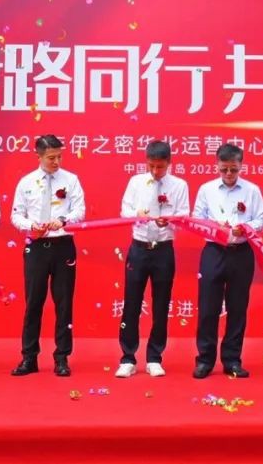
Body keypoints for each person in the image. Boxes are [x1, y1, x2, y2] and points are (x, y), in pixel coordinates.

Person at [10, 134, 86, 377]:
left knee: (64, 304)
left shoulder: (71, 180)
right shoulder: (26, 182)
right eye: (51, 157)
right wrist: (30, 226)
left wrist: (63, 220)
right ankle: (29, 357)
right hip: (36, 246)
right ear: (39, 156)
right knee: (33, 302)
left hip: (63, 245)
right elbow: (16, 215)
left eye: (59, 157)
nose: (56, 162)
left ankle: (62, 357)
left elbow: (80, 211)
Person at [115, 140, 189, 378]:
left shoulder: (179, 185)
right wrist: (137, 214)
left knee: (161, 304)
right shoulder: (136, 182)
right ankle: (128, 358)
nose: (156, 171)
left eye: (160, 167)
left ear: (169, 163)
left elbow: (184, 217)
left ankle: (155, 357)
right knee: (132, 304)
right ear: (146, 162)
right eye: (151, 166)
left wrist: (169, 221)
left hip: (164, 250)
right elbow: (124, 211)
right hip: (138, 248)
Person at [192, 144, 263, 379]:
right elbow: (196, 219)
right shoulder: (207, 189)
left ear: (241, 165)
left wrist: (244, 227)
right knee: (208, 308)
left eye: (233, 169)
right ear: (217, 165)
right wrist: (215, 227)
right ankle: (205, 360)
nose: (229, 174)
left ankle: (232, 360)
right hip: (214, 251)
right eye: (224, 169)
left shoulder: (252, 190)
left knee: (237, 307)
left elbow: (261, 220)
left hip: (241, 252)